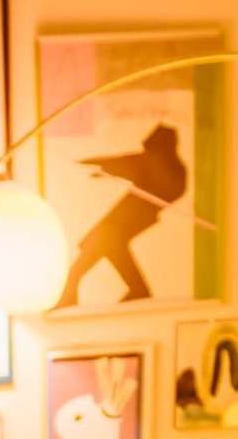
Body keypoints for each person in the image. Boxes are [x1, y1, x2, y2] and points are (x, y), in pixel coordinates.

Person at [61, 124, 184, 306]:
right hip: (126, 216)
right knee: (111, 248)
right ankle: (137, 290)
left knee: (102, 244)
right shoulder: (159, 163)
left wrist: (98, 166)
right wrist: (96, 167)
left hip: (130, 218)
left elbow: (128, 165)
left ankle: (136, 290)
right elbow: (122, 163)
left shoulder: (163, 165)